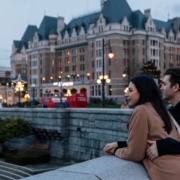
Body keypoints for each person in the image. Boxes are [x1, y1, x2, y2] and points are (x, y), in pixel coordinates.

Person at [103, 75, 180, 180]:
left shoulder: (141, 110)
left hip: (166, 173)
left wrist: (116, 150)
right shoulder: (162, 110)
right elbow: (151, 140)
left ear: (142, 91)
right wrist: (121, 143)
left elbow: (135, 154)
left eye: (130, 90)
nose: (126, 94)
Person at [147, 68, 180, 160]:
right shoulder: (170, 110)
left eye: (164, 84)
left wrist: (164, 146)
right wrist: (121, 144)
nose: (161, 88)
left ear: (175, 87)